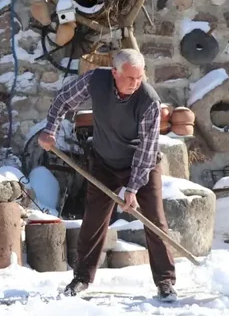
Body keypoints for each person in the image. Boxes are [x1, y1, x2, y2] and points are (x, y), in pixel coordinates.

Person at [38, 48, 177, 302]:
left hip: (141, 164)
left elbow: (147, 150)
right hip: (104, 161)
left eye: (139, 77)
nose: (135, 83)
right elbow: (63, 100)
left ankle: (165, 281)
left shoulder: (149, 101)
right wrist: (50, 130)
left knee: (154, 221)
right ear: (115, 73)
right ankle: (81, 277)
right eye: (130, 78)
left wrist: (133, 188)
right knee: (93, 219)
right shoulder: (95, 80)